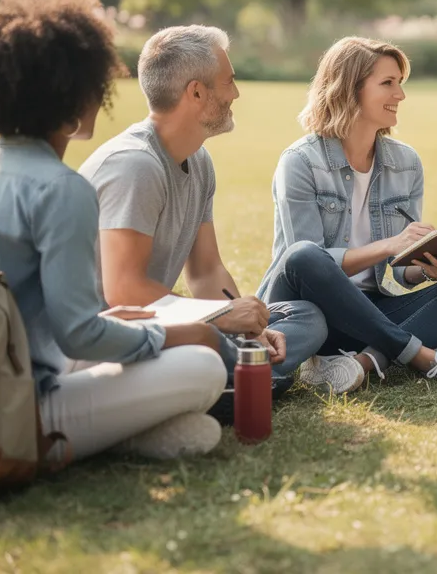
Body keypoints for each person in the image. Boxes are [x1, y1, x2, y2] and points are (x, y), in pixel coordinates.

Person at [0, 0, 226, 461]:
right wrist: (181, 333)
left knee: (159, 352)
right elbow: (79, 337)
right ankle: (108, 437)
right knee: (204, 365)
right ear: (71, 92)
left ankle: (123, 431)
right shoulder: (62, 188)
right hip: (12, 411)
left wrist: (115, 323)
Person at [78, 25, 328, 392]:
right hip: (113, 339)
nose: (236, 93)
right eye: (228, 82)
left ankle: (241, 375)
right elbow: (123, 290)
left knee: (306, 318)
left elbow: (206, 271)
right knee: (215, 349)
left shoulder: (199, 161)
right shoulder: (134, 165)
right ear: (196, 91)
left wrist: (250, 327)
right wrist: (221, 317)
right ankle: (239, 380)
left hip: (167, 325)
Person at [255, 37, 437, 391]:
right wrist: (389, 245)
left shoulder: (405, 163)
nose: (400, 95)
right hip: (308, 311)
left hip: (369, 313)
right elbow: (306, 264)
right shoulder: (300, 162)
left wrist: (427, 267)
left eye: (400, 83)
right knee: (304, 256)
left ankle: (365, 361)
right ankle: (425, 357)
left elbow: (402, 271)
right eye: (388, 83)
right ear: (348, 89)